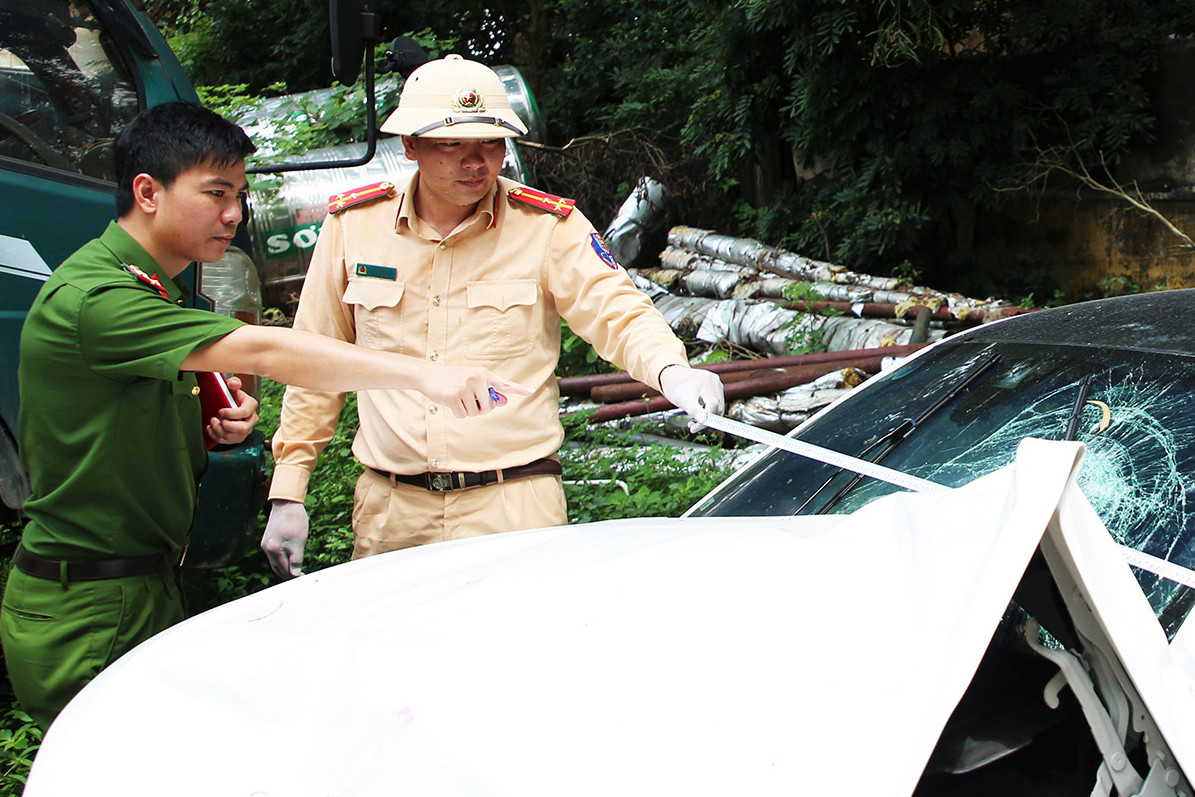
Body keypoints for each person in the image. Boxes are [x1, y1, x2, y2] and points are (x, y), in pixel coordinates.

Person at [0, 101, 528, 729]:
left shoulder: (147, 289)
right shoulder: (98, 297)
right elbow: (267, 348)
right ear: (147, 192)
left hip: (136, 584)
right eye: (216, 193)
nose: (234, 214)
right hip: (88, 602)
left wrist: (212, 425)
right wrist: (427, 375)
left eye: (241, 195)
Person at [261, 55, 725, 578]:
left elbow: (617, 311)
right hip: (393, 512)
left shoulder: (548, 226)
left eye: (489, 143)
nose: (475, 162)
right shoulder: (354, 227)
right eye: (451, 145)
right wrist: (289, 489)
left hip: (515, 505)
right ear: (410, 146)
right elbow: (315, 359)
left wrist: (673, 371)